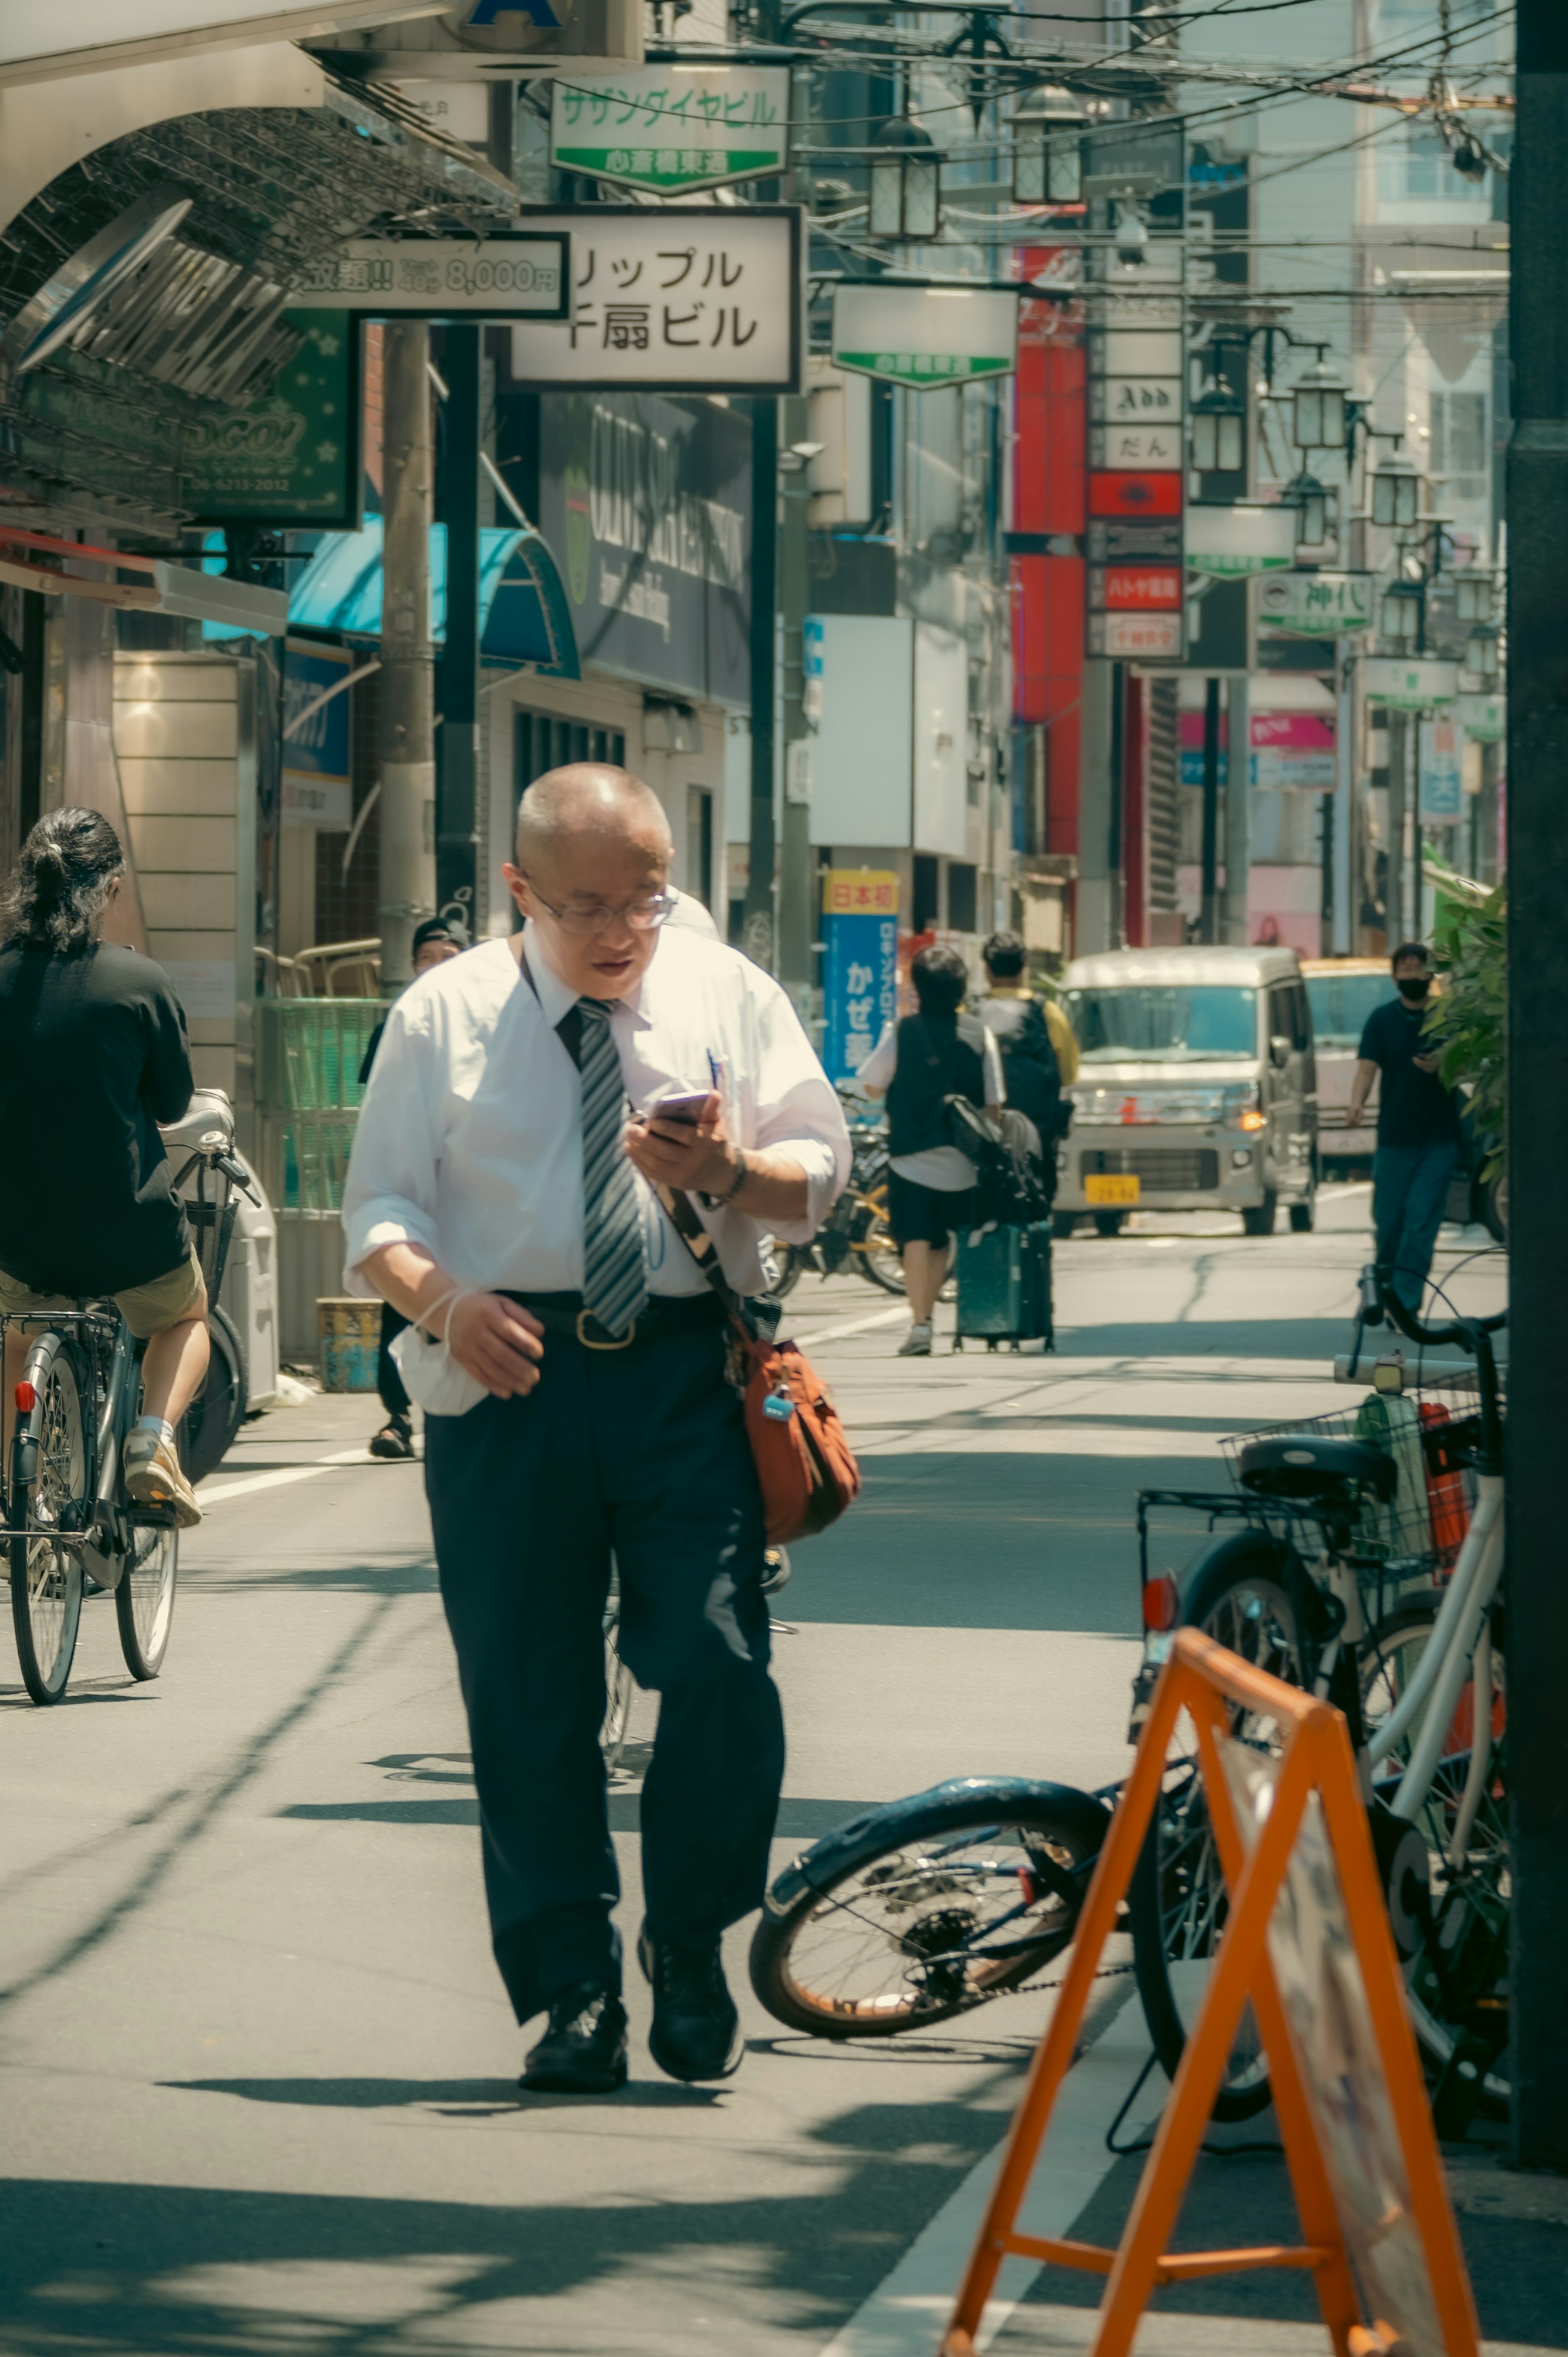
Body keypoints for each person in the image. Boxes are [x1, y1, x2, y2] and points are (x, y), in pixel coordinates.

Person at [342, 763, 850, 2095]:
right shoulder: (440, 1014)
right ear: (520, 892)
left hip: (682, 1371)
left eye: (646, 895)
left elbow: (820, 1166)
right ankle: (569, 1988)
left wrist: (727, 1171)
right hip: (506, 1381)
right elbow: (376, 1214)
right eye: (588, 905)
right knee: (527, 1693)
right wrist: (445, 1302)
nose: (624, 928)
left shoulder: (722, 987)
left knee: (720, 1658)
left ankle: (686, 1936)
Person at [0, 808, 208, 1531]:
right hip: (126, 1226)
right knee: (186, 1315)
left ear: (27, 884)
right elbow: (168, 1107)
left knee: (19, 1335)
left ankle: (17, 1491)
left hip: (16, 1228)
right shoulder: (139, 982)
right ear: (111, 888)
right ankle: (151, 1440)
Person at [854, 943, 1004, 1359]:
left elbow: (871, 1085)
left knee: (916, 1238)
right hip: (963, 1162)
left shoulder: (903, 1031)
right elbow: (995, 1101)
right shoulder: (979, 1033)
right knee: (939, 1242)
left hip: (911, 1156)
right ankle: (927, 1317)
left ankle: (921, 1324)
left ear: (919, 988)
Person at [366, 917, 466, 1461]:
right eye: (429, 956)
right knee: (400, 1298)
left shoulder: (489, 1024)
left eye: (449, 955)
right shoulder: (398, 1024)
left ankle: (465, 1410)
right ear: (412, 965)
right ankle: (398, 1417)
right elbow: (374, 1115)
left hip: (469, 1190)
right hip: (410, 1188)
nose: (437, 965)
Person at [1350, 937, 1462, 1322]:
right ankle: (1382, 1287)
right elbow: (1367, 1067)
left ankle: (1406, 1303)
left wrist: (1442, 1067)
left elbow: (1466, 1066)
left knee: (1421, 1223)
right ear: (1395, 975)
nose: (1412, 973)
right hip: (1395, 1138)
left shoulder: (1447, 1018)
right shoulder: (1381, 1019)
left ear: (1432, 975)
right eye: (1405, 968)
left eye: (1419, 967)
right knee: (1391, 1222)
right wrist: (1357, 1102)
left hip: (1439, 1138)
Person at [974, 930, 1078, 1197]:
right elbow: (1069, 1073)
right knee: (1038, 1199)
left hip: (980, 1135)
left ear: (987, 970)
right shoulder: (1047, 1013)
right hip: (1037, 1136)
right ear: (1024, 969)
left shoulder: (969, 1014)